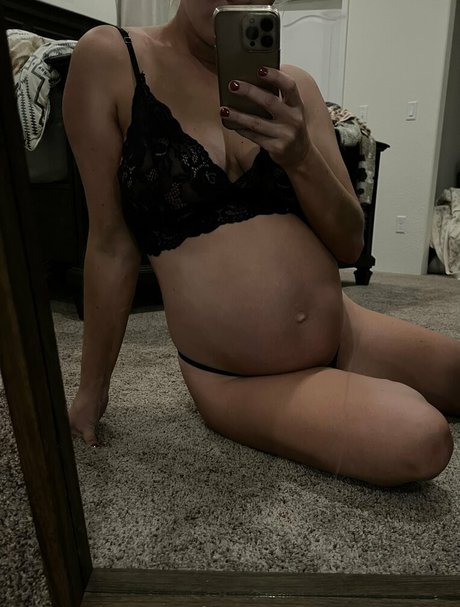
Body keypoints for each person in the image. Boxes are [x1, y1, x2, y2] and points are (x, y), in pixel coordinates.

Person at [62, 0, 458, 488]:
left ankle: (345, 392)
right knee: (421, 437)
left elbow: (350, 246)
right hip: (236, 377)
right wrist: (92, 390)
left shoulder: (295, 88)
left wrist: (302, 157)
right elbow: (110, 245)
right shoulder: (110, 58)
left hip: (346, 331)